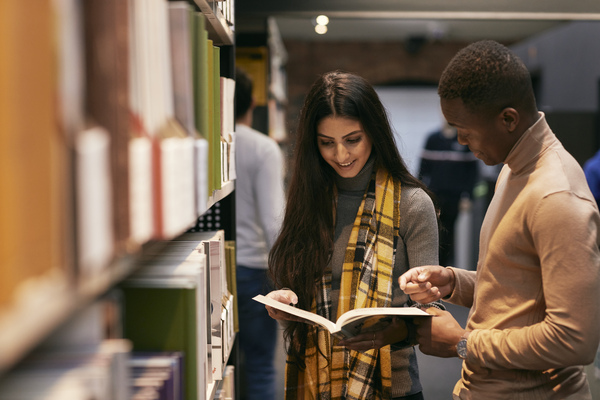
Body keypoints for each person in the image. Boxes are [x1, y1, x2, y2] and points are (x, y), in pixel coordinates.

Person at [399, 40, 600, 399]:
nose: (460, 141)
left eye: (465, 129)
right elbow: (519, 289)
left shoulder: (556, 196)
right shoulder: (512, 167)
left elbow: (575, 340)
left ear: (508, 119)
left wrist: (463, 343)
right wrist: (452, 281)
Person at [264, 70, 442, 400]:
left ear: (374, 133)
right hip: (315, 382)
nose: (341, 156)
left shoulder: (412, 204)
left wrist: (392, 331)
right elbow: (298, 281)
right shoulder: (309, 198)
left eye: (353, 139)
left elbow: (434, 311)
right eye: (326, 143)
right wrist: (285, 299)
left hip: (392, 386)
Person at [234, 67, 286, 400]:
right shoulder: (262, 148)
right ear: (253, 102)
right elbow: (273, 220)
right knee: (259, 365)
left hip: (204, 263)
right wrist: (284, 276)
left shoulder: (200, 140)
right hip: (253, 271)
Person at [418, 121, 478, 266]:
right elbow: (422, 169)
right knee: (433, 232)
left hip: (454, 197)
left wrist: (468, 196)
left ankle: (446, 270)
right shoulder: (433, 139)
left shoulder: (463, 141)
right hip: (434, 196)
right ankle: (431, 266)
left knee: (449, 234)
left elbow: (472, 173)